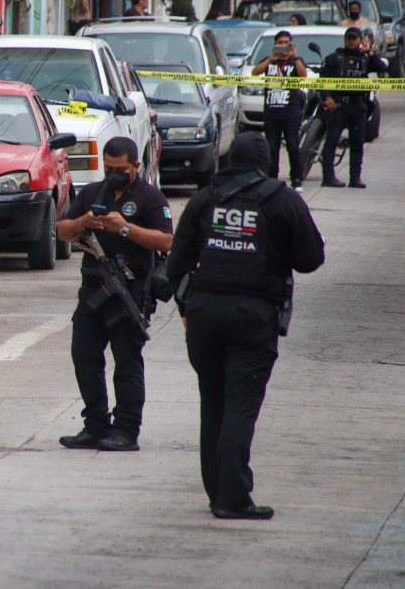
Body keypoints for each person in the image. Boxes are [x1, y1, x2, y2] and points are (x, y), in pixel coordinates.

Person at [166, 131, 325, 520]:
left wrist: (187, 307)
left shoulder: (205, 198)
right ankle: (233, 498)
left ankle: (217, 490)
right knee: (240, 405)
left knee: (214, 403)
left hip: (204, 315)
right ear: (266, 162)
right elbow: (310, 259)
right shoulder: (283, 199)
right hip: (253, 317)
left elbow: (176, 263)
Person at [56, 137, 173, 452]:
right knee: (84, 358)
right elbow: (61, 231)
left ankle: (125, 430)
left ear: (135, 165)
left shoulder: (150, 197)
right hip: (93, 291)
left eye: (120, 169)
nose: (113, 174)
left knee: (127, 364)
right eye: (108, 168)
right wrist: (84, 222)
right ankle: (95, 426)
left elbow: (165, 242)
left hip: (129, 292)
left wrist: (125, 228)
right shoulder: (95, 192)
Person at [318, 26, 388, 188]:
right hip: (338, 106)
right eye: (348, 38)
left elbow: (382, 68)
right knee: (331, 141)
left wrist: (369, 51)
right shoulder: (333, 58)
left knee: (357, 143)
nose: (351, 41)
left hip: (359, 106)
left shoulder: (365, 58)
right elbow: (322, 81)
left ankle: (355, 178)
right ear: (344, 39)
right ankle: (328, 177)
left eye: (354, 38)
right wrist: (327, 98)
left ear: (359, 40)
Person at [250, 30, 308, 191]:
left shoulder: (295, 60)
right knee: (272, 147)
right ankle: (271, 178)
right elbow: (255, 72)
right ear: (275, 44)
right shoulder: (270, 61)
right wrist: (271, 58)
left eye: (286, 43)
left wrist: (294, 56)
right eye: (280, 43)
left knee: (293, 146)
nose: (283, 46)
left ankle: (297, 179)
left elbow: (303, 76)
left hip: (291, 112)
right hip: (272, 112)